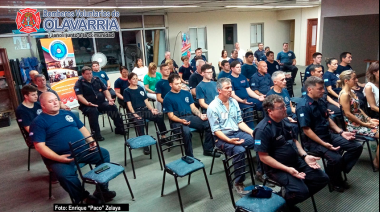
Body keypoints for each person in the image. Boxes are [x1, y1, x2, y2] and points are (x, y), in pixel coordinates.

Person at [30, 92, 116, 204]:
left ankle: (101, 190)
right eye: (50, 101)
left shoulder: (67, 114)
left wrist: (91, 141)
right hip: (61, 156)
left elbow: (82, 128)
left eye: (56, 99)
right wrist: (58, 158)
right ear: (43, 105)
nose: (55, 103)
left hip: (82, 150)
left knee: (103, 154)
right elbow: (39, 146)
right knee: (64, 175)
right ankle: (83, 197)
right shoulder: (38, 122)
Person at [255, 94, 329, 211]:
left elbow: (294, 141)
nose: (285, 109)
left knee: (322, 178)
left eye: (284, 106)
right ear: (270, 111)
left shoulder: (284, 120)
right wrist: (287, 169)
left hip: (296, 161)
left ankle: (286, 200)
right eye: (280, 108)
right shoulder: (262, 130)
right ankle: (282, 206)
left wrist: (304, 156)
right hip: (277, 169)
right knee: (301, 192)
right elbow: (263, 157)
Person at [297, 76, 363, 192]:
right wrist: (324, 143)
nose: (323, 91)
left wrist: (341, 132)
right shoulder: (303, 106)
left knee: (356, 146)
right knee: (336, 158)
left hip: (328, 135)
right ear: (309, 90)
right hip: (314, 141)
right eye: (320, 89)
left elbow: (327, 119)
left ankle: (334, 173)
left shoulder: (321, 100)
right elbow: (307, 130)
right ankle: (334, 179)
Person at [207, 77, 255, 196]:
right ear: (219, 90)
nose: (230, 90)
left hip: (237, 133)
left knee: (258, 141)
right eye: (227, 88)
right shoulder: (213, 107)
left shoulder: (233, 102)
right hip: (222, 137)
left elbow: (239, 122)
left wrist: (251, 132)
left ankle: (261, 171)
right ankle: (238, 183)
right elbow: (216, 130)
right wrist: (229, 140)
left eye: (230, 87)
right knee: (240, 150)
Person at [163, 74, 217, 157]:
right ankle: (189, 155)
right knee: (186, 132)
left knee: (209, 124)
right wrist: (181, 121)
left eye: (180, 83)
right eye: (176, 84)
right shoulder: (167, 97)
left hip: (189, 117)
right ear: (170, 84)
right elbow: (170, 116)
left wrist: (200, 115)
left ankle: (208, 149)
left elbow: (193, 107)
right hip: (177, 120)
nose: (179, 85)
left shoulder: (186, 93)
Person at [74, 66, 124, 141]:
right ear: (83, 74)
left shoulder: (96, 79)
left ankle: (119, 128)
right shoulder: (79, 83)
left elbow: (105, 90)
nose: (89, 75)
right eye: (87, 74)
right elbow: (79, 96)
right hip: (87, 105)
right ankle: (96, 134)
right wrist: (87, 103)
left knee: (112, 106)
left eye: (90, 73)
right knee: (93, 111)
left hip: (101, 103)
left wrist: (109, 99)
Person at [125, 72, 168, 155]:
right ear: (129, 80)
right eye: (133, 79)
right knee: (139, 122)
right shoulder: (127, 91)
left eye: (136, 78)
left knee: (159, 116)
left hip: (144, 110)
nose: (135, 80)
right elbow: (129, 105)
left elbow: (146, 101)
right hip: (135, 111)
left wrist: (152, 109)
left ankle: (163, 136)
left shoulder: (140, 88)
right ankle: (144, 144)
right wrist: (134, 114)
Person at [338, 70, 379, 138]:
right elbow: (348, 114)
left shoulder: (352, 91)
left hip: (361, 121)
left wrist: (368, 119)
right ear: (346, 81)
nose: (356, 80)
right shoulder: (344, 95)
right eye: (354, 79)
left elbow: (358, 108)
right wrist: (365, 124)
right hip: (353, 125)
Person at [228, 61, 265, 129]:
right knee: (249, 108)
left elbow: (249, 90)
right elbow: (232, 95)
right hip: (237, 102)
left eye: (240, 67)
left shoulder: (242, 77)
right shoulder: (229, 79)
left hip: (247, 99)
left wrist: (258, 97)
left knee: (264, 104)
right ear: (232, 68)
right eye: (237, 67)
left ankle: (264, 125)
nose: (239, 69)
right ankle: (251, 130)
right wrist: (242, 101)